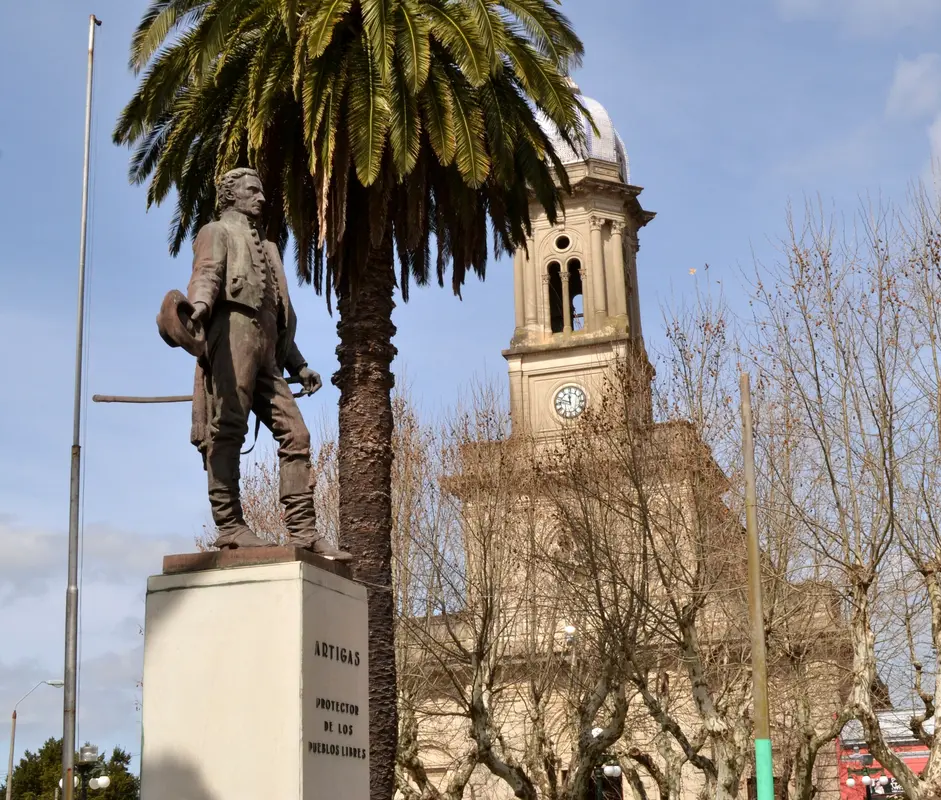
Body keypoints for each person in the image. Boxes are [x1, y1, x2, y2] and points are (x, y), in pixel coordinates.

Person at [184, 167, 351, 560]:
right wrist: (197, 309)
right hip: (231, 333)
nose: (261, 198)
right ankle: (230, 527)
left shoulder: (271, 249)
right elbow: (206, 275)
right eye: (252, 191)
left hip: (266, 346)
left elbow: (273, 316)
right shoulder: (216, 231)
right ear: (231, 196)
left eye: (261, 191)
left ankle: (303, 532)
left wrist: (300, 365)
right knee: (228, 428)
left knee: (297, 434)